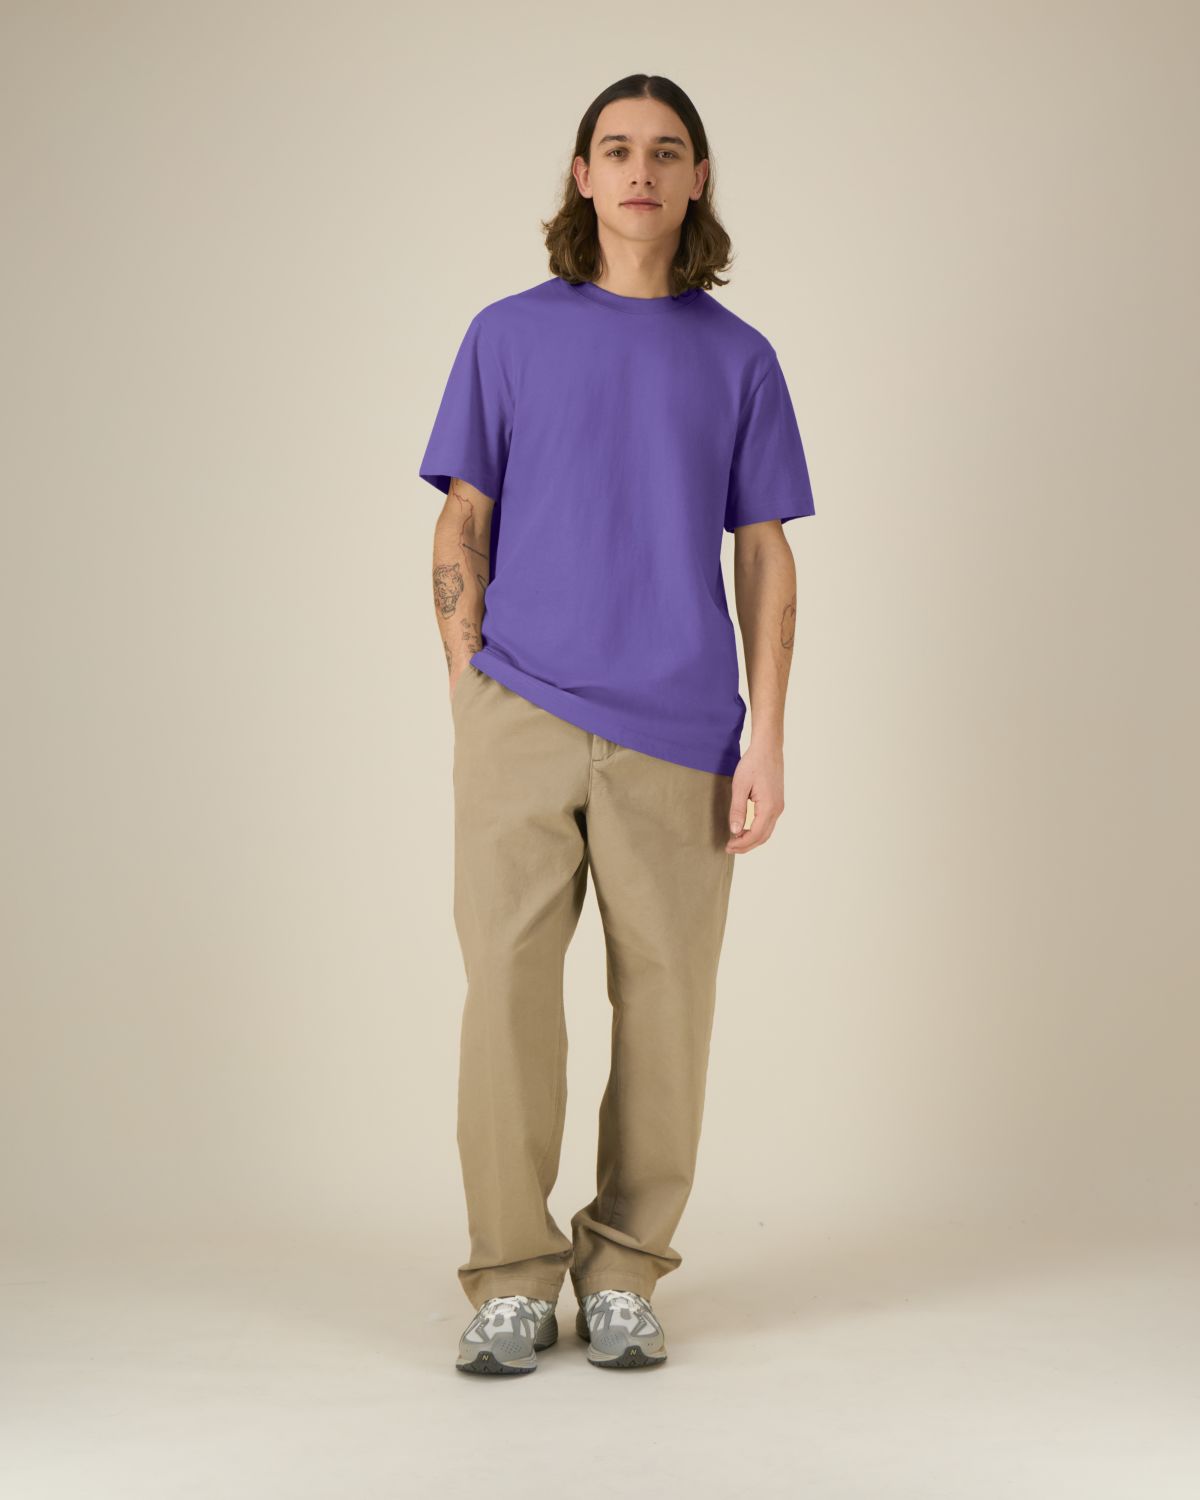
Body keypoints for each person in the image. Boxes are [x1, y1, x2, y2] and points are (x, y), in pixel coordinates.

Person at [419, 73, 815, 1375]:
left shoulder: (739, 359)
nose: (642, 170)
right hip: (520, 711)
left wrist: (767, 740)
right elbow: (462, 521)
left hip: (682, 730)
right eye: (617, 148)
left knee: (667, 1007)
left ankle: (627, 1268)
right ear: (582, 177)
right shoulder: (507, 336)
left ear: (697, 181)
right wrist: (472, 686)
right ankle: (510, 1277)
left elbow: (765, 553)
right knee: (506, 996)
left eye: (667, 150)